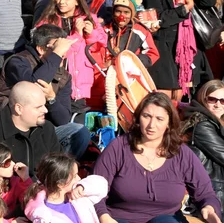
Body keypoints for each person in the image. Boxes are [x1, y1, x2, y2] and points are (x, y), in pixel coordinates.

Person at [93, 92, 221, 223]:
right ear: (138, 118)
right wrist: (104, 217)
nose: (151, 125)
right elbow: (93, 191)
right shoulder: (118, 148)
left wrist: (209, 208)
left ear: (169, 123)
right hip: (120, 218)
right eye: (146, 116)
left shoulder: (182, 153)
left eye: (159, 119)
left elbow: (205, 194)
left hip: (167, 218)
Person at [0, 24, 91, 159]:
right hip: (12, 127)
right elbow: (34, 87)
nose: (64, 53)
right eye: (57, 47)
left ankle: (56, 173)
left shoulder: (64, 76)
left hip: (42, 128)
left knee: (79, 132)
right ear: (40, 49)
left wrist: (51, 98)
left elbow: (63, 120)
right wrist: (55, 55)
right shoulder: (18, 62)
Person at [144, 0, 216, 101]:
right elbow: (158, 18)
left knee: (183, 96)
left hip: (188, 48)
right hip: (163, 47)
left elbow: (209, 0)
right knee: (165, 97)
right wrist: (184, 10)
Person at [0, 81, 61, 174]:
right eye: (38, 107)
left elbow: (58, 167)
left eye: (44, 105)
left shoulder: (47, 129)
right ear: (19, 109)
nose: (45, 110)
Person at [36, 0, 107, 101]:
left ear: (77, 1)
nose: (61, 2)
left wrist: (91, 34)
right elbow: (53, 46)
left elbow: (101, 44)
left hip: (81, 76)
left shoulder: (89, 18)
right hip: (57, 74)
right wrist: (77, 35)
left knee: (78, 112)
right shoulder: (49, 19)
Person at [23, 153, 108, 223]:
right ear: (60, 184)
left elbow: (102, 184)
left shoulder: (78, 194)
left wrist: (83, 186)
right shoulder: (45, 216)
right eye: (75, 176)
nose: (79, 179)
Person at [182, 80, 224, 217]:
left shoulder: (215, 122)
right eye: (212, 99)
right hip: (212, 190)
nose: (218, 105)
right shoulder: (202, 124)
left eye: (223, 101)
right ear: (202, 98)